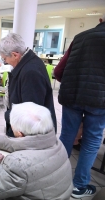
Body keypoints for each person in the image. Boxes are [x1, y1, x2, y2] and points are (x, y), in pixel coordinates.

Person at [0, 102, 73, 200]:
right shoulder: (57, 143)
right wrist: (1, 142)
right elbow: (32, 143)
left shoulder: (18, 164)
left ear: (19, 134)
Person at [57, 15, 105, 198]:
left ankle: (56, 177)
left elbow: (58, 71)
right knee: (92, 141)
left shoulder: (80, 37)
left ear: (100, 20)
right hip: (99, 100)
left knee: (67, 136)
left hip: (72, 95)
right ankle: (79, 186)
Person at [0, 33, 57, 137]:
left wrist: (8, 115)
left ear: (15, 55)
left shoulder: (31, 72)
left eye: (5, 59)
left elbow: (30, 116)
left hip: (31, 136)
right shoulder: (28, 62)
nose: (5, 62)